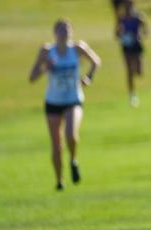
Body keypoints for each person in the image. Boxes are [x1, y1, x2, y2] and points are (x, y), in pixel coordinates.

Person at [29, 19, 101, 190]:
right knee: (56, 144)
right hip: (53, 101)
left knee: (71, 134)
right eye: (60, 29)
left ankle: (73, 160)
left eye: (67, 29)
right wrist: (45, 68)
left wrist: (89, 77)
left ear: (71, 31)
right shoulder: (47, 51)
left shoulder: (77, 49)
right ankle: (59, 180)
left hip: (73, 98)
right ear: (55, 33)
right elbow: (32, 77)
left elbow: (96, 61)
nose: (64, 32)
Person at [116, 0, 148, 107]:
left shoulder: (138, 17)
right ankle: (132, 95)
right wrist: (123, 36)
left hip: (137, 45)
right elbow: (116, 33)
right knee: (129, 71)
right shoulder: (121, 18)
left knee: (139, 72)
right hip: (126, 46)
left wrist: (140, 35)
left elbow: (146, 31)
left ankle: (135, 71)